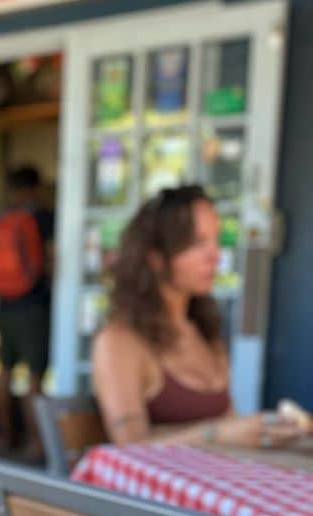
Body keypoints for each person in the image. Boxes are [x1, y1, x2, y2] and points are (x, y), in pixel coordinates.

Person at [92, 186, 304, 450]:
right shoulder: (119, 340)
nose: (215, 256)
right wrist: (218, 434)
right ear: (156, 257)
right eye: (197, 242)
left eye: (216, 240)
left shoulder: (205, 331)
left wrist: (262, 431)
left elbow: (229, 426)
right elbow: (130, 447)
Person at [0, 165, 54, 457]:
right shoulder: (42, 218)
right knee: (34, 376)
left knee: (4, 372)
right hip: (33, 304)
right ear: (36, 188)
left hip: (4, 305)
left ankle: (3, 437)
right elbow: (52, 259)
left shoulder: (1, 219)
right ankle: (35, 442)